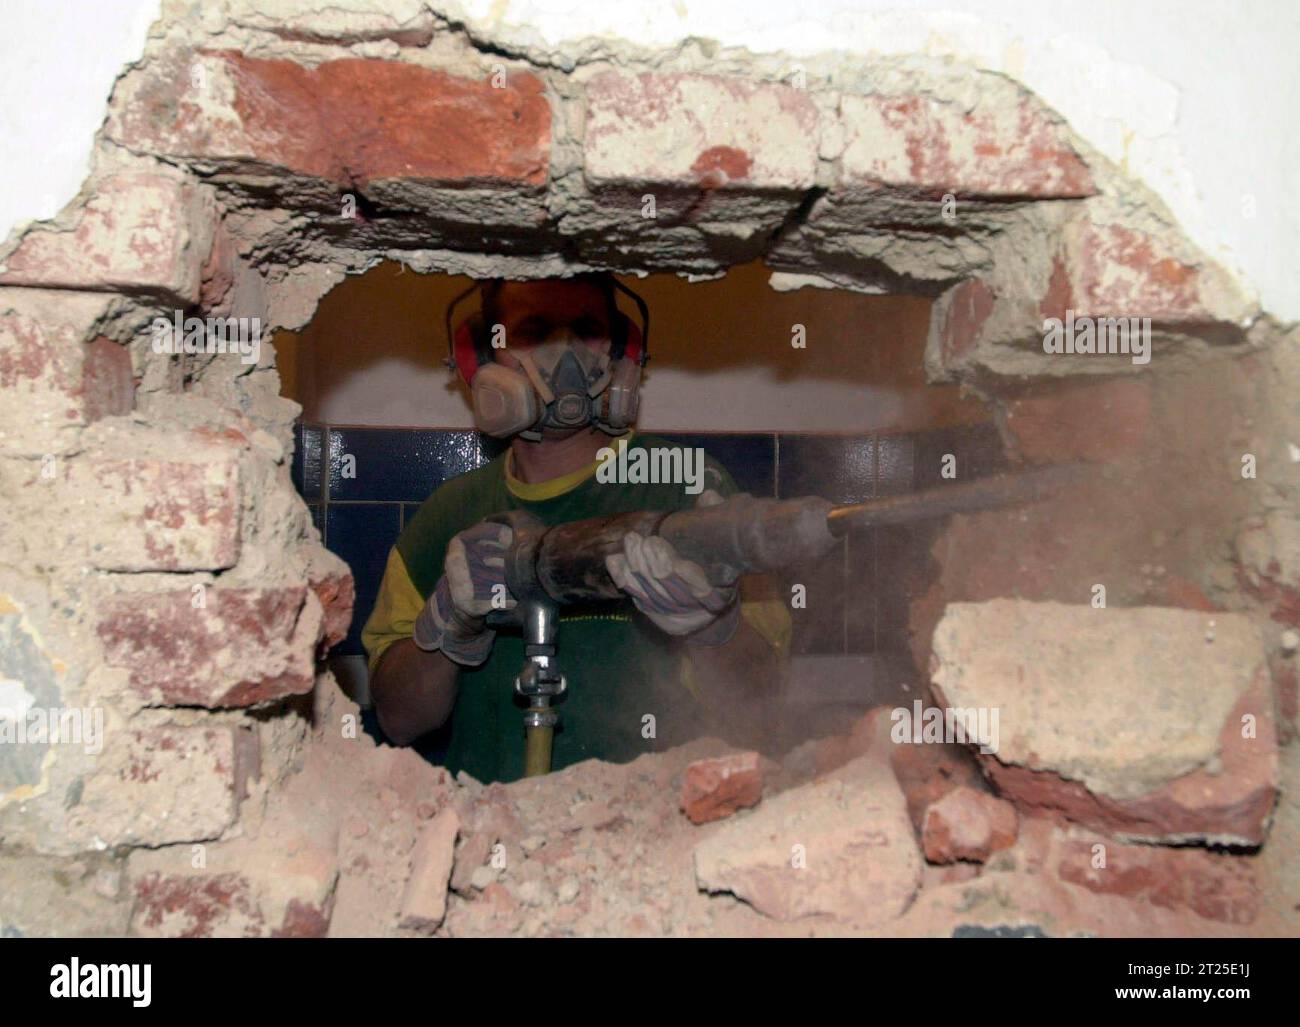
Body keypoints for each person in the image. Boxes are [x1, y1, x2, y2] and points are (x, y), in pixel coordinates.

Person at [361, 274, 788, 783]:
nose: (563, 358)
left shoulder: (691, 491)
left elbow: (761, 703)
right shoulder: (446, 517)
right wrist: (447, 624)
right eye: (533, 331)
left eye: (586, 329)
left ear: (621, 352)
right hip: (491, 837)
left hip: (650, 833)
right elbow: (399, 719)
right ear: (480, 357)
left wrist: (715, 626)